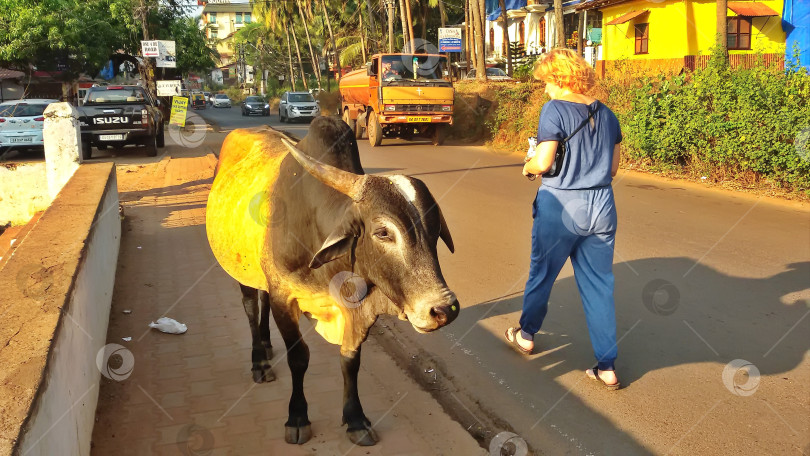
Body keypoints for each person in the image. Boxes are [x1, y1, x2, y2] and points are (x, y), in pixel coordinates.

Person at [504, 49, 623, 391]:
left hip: (561, 203)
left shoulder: (554, 110)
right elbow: (613, 169)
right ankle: (607, 367)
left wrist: (527, 167)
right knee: (600, 286)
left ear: (560, 78)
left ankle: (526, 335)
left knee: (542, 274)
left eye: (547, 83)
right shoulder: (609, 115)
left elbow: (543, 162)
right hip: (601, 205)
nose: (545, 91)